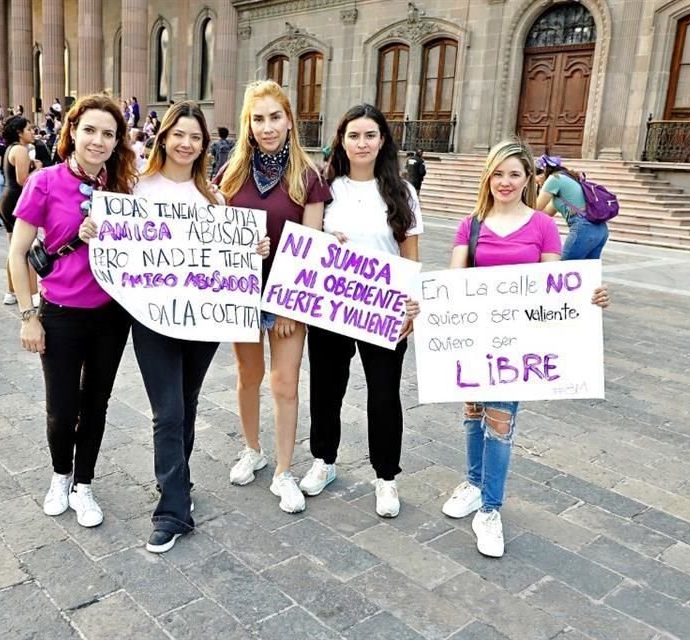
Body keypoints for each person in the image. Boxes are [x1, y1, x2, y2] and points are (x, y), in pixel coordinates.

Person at [79, 101, 269, 552]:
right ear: (163, 137)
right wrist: (94, 229)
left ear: (205, 146)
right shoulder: (134, 189)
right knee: (167, 410)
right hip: (152, 319)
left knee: (186, 401)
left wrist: (252, 250)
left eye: (196, 138)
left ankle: (177, 485)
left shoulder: (214, 197)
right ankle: (171, 512)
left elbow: (229, 257)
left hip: (203, 321)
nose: (186, 144)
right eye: (179, 134)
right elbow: (116, 244)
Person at [440, 140, 609, 558]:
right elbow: (454, 280)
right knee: (473, 413)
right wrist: (430, 302)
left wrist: (588, 297)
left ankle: (491, 508)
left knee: (500, 421)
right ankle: (474, 484)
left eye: (514, 174)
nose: (505, 182)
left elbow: (555, 286)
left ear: (529, 178)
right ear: (487, 176)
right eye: (498, 173)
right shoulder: (471, 225)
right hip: (475, 337)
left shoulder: (542, 226)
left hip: (520, 342)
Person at [9, 94, 137, 528]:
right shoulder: (44, 181)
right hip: (60, 313)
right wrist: (29, 316)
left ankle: (84, 483)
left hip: (110, 316)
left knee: (96, 403)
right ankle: (60, 475)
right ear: (73, 133)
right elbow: (18, 254)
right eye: (90, 131)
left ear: (118, 141)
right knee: (61, 408)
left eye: (108, 134)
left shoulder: (122, 190)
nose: (98, 141)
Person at [299, 104, 421, 518]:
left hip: (383, 307)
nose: (362, 143)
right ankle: (324, 460)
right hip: (332, 304)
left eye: (370, 135)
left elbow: (410, 253)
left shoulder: (402, 192)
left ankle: (386, 477)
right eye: (354, 135)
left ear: (383, 140)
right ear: (342, 140)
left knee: (384, 394)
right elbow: (306, 238)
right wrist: (322, 237)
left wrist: (410, 306)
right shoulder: (324, 185)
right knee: (326, 386)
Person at [216, 80, 331, 514]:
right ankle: (252, 449)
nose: (267, 127)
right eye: (258, 119)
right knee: (247, 377)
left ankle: (284, 469)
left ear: (289, 121)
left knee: (284, 382)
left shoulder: (309, 177)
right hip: (242, 295)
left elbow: (312, 243)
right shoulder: (230, 175)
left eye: (275, 117)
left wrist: (289, 302)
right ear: (248, 124)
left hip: (287, 297)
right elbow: (214, 239)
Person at [0, 115, 41, 305]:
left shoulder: (10, 149)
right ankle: (33, 293)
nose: (33, 132)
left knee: (14, 250)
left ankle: (11, 291)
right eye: (29, 129)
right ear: (19, 132)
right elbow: (23, 180)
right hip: (16, 201)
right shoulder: (21, 150)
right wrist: (38, 169)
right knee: (27, 249)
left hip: (6, 200)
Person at [534, 155, 609, 260]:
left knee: (564, 269)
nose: (536, 183)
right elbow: (546, 213)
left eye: (535, 178)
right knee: (587, 273)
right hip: (601, 229)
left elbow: (535, 208)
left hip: (584, 228)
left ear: (543, 172)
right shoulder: (567, 180)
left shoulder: (554, 179)